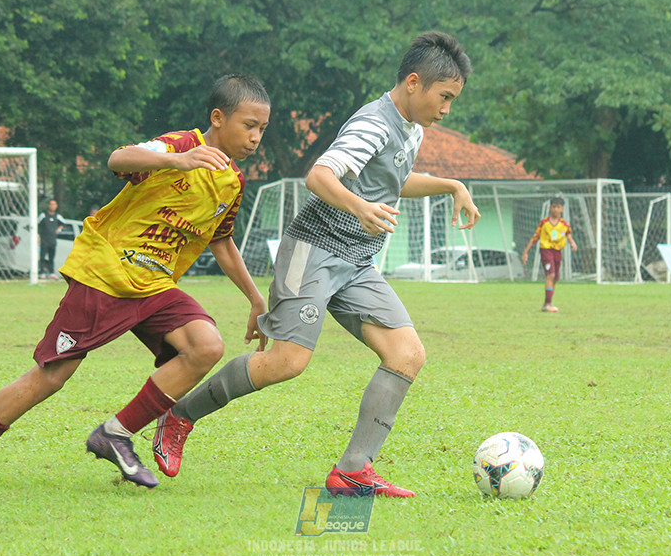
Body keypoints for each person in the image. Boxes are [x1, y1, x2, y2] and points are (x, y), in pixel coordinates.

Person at [152, 31, 478, 498]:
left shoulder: (412, 128)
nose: (447, 109)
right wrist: (359, 207)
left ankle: (352, 470)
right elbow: (319, 175)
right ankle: (178, 416)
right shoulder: (374, 123)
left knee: (407, 354)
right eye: (444, 97)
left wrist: (451, 185)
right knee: (286, 363)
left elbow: (392, 180)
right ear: (413, 83)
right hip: (315, 252)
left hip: (357, 262)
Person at [0, 74, 270, 492]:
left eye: (262, 129)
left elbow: (220, 239)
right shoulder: (179, 145)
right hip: (105, 273)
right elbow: (118, 158)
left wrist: (254, 297)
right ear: (218, 118)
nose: (255, 137)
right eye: (248, 125)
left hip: (153, 284)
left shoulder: (232, 181)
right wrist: (177, 160)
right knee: (52, 376)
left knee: (206, 346)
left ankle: (115, 434)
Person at [521, 197, 577, 312]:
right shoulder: (544, 223)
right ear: (550, 208)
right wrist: (525, 252)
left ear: (562, 209)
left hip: (557, 252)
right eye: (554, 207)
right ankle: (547, 304)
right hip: (546, 250)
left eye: (558, 207)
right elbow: (535, 237)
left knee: (555, 277)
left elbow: (568, 235)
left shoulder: (564, 224)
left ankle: (550, 302)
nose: (556, 209)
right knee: (550, 275)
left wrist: (573, 244)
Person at [38, 199, 65, 280]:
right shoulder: (43, 215)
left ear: (56, 206)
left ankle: (51, 273)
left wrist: (58, 230)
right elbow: (38, 225)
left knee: (51, 257)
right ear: (48, 205)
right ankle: (42, 272)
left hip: (52, 240)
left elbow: (63, 224)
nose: (52, 206)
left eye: (54, 204)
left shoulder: (58, 216)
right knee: (42, 256)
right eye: (51, 204)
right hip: (44, 239)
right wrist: (38, 236)